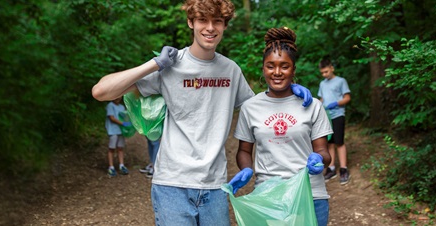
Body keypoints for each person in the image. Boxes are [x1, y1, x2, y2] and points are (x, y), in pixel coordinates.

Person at [92, 0, 312, 224]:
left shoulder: (231, 70)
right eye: (202, 20)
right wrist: (154, 64)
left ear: (225, 26)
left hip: (215, 187)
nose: (210, 28)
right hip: (172, 184)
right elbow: (101, 91)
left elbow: (260, 108)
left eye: (217, 21)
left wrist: (287, 91)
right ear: (190, 22)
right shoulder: (170, 66)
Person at [228, 27, 333, 226]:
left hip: (311, 195)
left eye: (284, 66)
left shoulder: (313, 106)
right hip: (269, 196)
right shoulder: (251, 107)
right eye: (271, 66)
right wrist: (246, 168)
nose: (277, 72)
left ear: (293, 70)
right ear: (263, 68)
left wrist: (319, 158)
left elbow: (324, 152)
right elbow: (244, 150)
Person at [318, 58, 351, 185]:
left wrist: (336, 103)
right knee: (329, 142)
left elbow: (347, 97)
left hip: (337, 115)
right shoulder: (322, 84)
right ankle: (331, 168)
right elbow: (322, 99)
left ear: (332, 68)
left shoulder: (341, 81)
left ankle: (343, 169)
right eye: (322, 73)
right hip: (326, 116)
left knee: (339, 142)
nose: (324, 75)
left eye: (326, 72)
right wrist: (318, 106)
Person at [105, 97, 131, 177]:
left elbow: (124, 116)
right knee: (111, 148)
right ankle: (111, 167)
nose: (117, 98)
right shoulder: (110, 105)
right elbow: (112, 118)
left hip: (121, 131)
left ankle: (121, 165)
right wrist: (122, 123)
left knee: (120, 148)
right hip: (113, 131)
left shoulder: (122, 107)